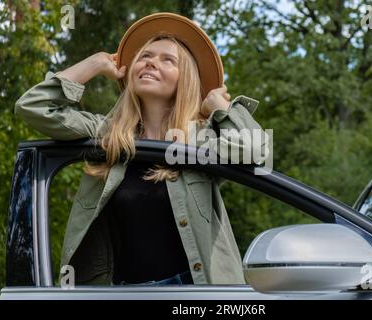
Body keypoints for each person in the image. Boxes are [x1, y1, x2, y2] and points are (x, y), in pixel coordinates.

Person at [14, 12, 268, 286]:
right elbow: (32, 106)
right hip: (127, 294)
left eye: (167, 59)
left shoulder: (199, 141)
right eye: (145, 56)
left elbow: (257, 150)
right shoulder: (107, 136)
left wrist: (220, 108)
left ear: (186, 79)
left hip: (196, 292)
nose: (150, 62)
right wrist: (97, 62)